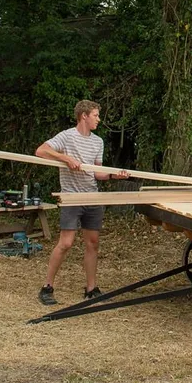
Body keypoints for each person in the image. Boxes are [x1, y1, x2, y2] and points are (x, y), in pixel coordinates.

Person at [35, 99, 129, 306]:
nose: (99, 119)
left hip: (92, 197)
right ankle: (47, 287)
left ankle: (91, 289)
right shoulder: (67, 136)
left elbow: (98, 173)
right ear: (84, 115)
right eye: (96, 115)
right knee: (66, 243)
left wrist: (115, 176)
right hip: (71, 197)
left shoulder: (98, 142)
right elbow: (40, 151)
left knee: (93, 243)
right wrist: (65, 158)